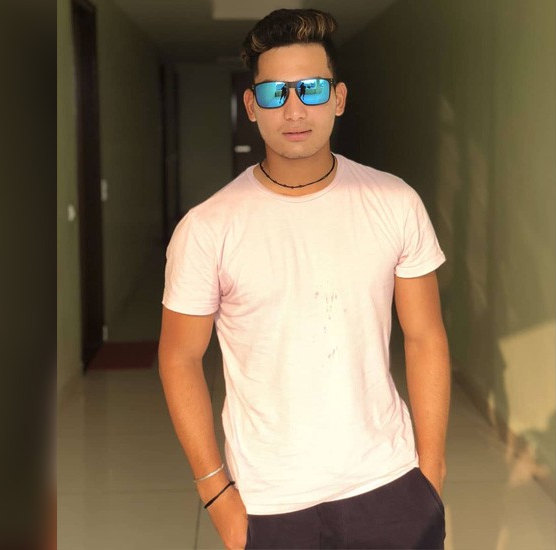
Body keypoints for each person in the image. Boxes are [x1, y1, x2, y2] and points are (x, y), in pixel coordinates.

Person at [159, 8, 451, 549]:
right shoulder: (208, 227)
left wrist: (429, 474)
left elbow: (425, 335)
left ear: (338, 98)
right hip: (270, 503)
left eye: (311, 89)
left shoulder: (394, 202)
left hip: (390, 485)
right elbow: (179, 357)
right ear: (252, 106)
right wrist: (218, 496)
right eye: (275, 93)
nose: (294, 110)